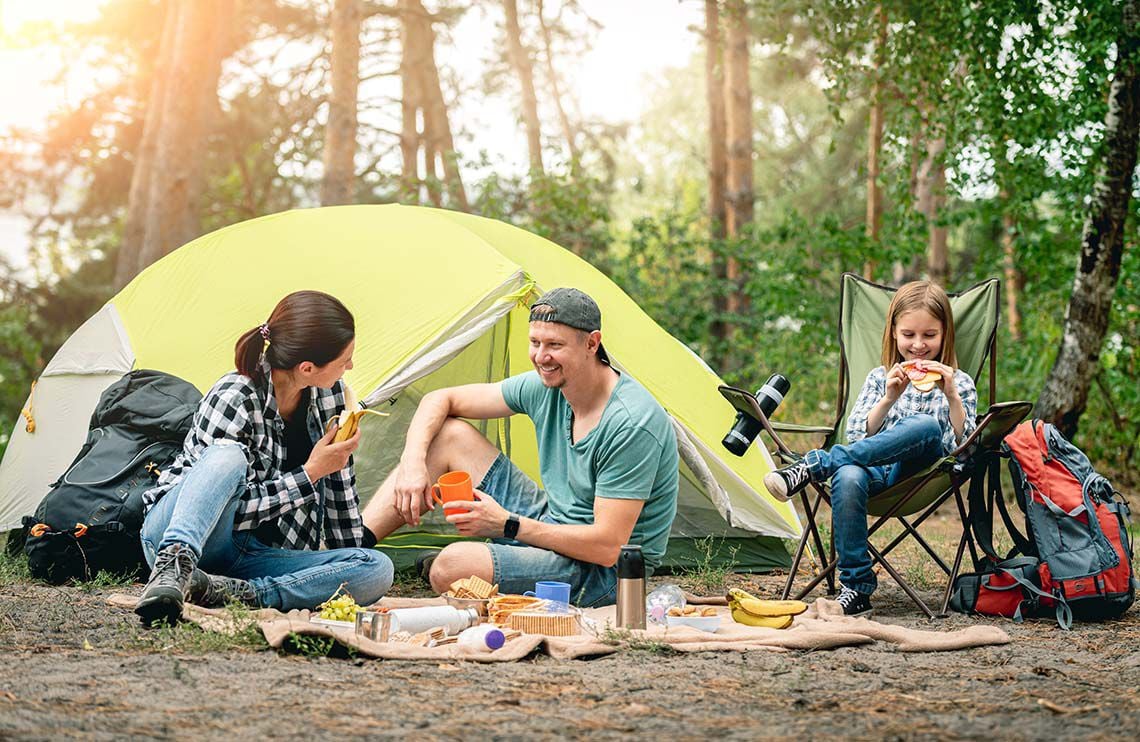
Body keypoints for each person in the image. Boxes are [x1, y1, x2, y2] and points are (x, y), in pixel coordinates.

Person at [362, 287, 679, 607]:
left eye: (555, 345)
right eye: (535, 342)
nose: (542, 357)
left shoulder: (631, 423)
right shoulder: (548, 385)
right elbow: (439, 399)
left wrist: (506, 524)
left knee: (451, 567)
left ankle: (489, 563)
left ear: (592, 344)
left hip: (606, 573)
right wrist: (413, 464)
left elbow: (607, 547)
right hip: (552, 520)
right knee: (449, 435)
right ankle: (353, 547)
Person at [135, 290, 393, 626]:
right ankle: (172, 569)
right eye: (344, 360)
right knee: (229, 456)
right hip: (186, 532)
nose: (350, 367)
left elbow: (339, 488)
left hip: (248, 556)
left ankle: (235, 593)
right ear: (307, 367)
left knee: (376, 567)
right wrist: (311, 473)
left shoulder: (331, 395)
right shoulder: (235, 396)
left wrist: (350, 558)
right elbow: (219, 508)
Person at [763, 280, 977, 617]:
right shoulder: (880, 378)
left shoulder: (959, 382)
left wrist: (950, 395)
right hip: (876, 468)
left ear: (945, 334)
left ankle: (813, 465)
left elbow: (960, 446)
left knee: (924, 424)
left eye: (929, 336)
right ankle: (856, 588)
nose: (918, 346)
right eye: (909, 335)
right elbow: (857, 436)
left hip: (922, 472)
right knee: (847, 475)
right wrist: (889, 398)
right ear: (893, 333)